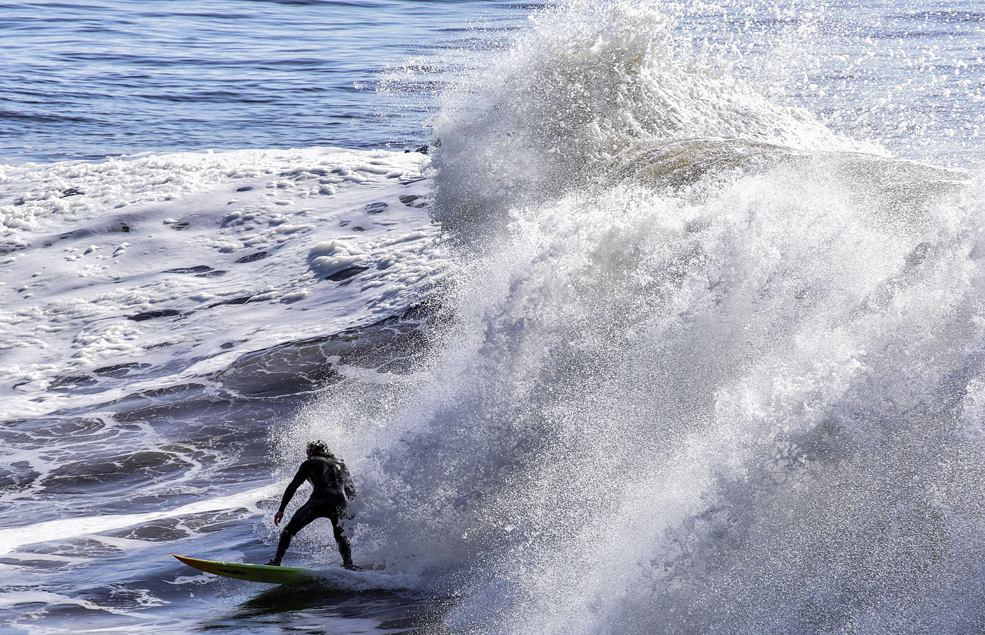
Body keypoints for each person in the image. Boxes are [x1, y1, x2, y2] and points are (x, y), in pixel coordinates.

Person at [267, 441, 358, 569]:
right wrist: (351, 514)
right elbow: (351, 492)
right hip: (339, 503)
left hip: (319, 501)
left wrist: (281, 510)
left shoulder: (309, 463)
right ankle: (349, 564)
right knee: (341, 536)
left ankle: (276, 561)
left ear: (310, 453)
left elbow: (293, 486)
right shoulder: (341, 465)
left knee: (289, 530)